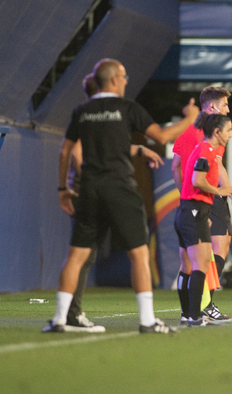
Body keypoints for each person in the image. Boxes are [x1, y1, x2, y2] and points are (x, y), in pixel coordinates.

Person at [43, 58, 199, 334]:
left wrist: (61, 189)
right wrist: (189, 119)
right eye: (124, 76)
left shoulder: (82, 111)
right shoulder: (127, 109)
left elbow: (65, 152)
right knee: (138, 255)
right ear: (113, 79)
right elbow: (162, 137)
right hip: (120, 189)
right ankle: (148, 321)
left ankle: (58, 319)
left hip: (89, 189)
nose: (126, 81)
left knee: (76, 256)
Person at [63, 74, 163, 332]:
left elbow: (112, 147)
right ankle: (72, 314)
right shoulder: (94, 121)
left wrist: (139, 150)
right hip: (94, 191)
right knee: (84, 257)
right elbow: (77, 155)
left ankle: (68, 315)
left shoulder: (88, 119)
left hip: (91, 190)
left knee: (82, 256)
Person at [172, 87, 232, 323]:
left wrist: (186, 197)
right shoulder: (208, 143)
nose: (227, 109)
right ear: (212, 108)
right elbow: (204, 174)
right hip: (201, 201)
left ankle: (189, 313)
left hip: (189, 203)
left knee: (190, 262)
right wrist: (226, 194)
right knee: (210, 256)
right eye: (224, 105)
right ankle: (202, 309)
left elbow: (176, 167)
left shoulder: (186, 133)